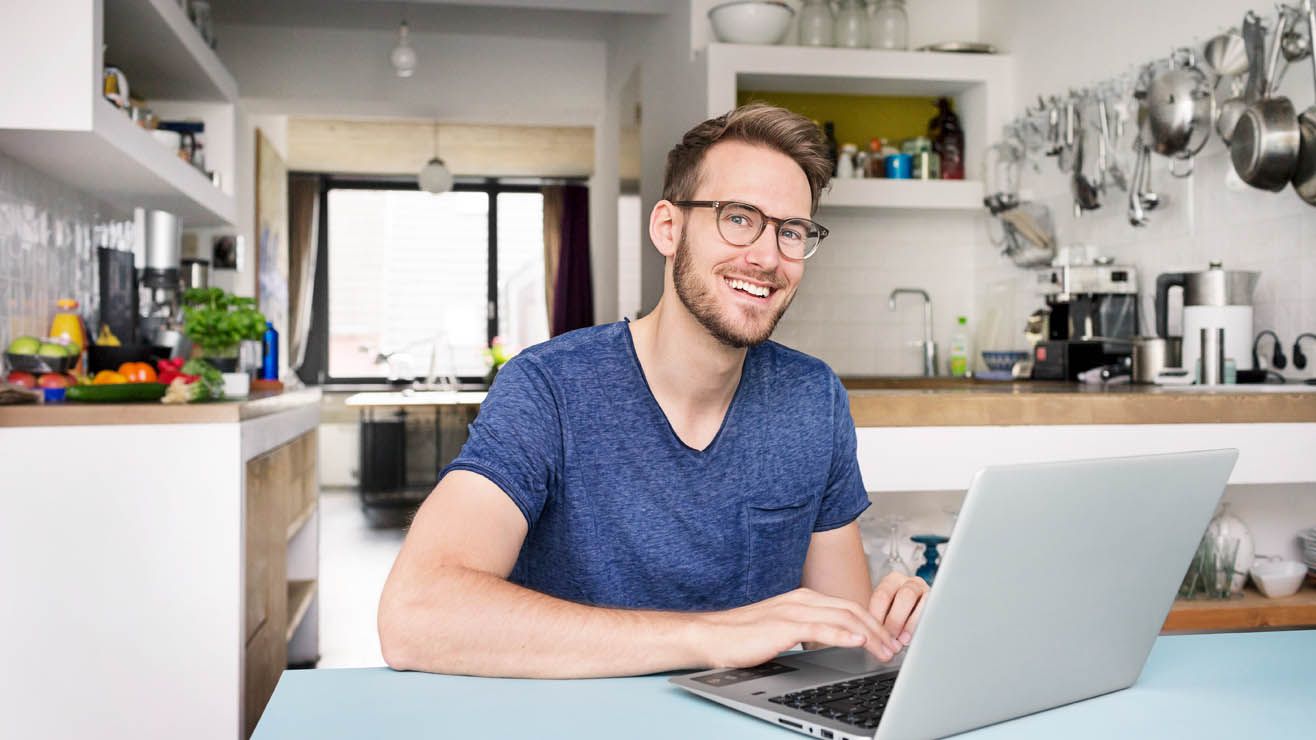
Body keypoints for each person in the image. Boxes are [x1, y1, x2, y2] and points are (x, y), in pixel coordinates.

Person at [378, 104, 929, 679]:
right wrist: (712, 636)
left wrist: (896, 623)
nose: (767, 256)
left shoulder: (813, 399)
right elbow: (416, 616)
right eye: (738, 218)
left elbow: (841, 647)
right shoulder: (549, 389)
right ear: (669, 228)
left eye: (791, 231)